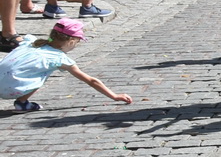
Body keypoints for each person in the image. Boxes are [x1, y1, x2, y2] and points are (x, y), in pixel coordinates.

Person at [0, 18, 132, 111]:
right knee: (43, 71)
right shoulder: (59, 58)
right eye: (78, 42)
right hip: (12, 89)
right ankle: (22, 103)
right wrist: (114, 96)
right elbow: (91, 81)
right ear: (71, 41)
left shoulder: (31, 41)